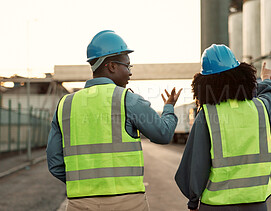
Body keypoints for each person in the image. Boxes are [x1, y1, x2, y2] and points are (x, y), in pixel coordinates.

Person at [46, 30, 182, 211]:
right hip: (128, 204)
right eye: (128, 66)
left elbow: (54, 162)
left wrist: (84, 184)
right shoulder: (128, 100)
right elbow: (163, 134)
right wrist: (169, 108)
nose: (130, 73)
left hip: (80, 204)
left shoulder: (65, 105)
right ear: (111, 66)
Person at [175, 44, 271, 211]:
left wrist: (193, 201)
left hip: (217, 205)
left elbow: (196, 165)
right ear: (242, 76)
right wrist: (265, 80)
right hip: (256, 203)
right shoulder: (259, 108)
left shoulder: (207, 114)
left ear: (204, 83)